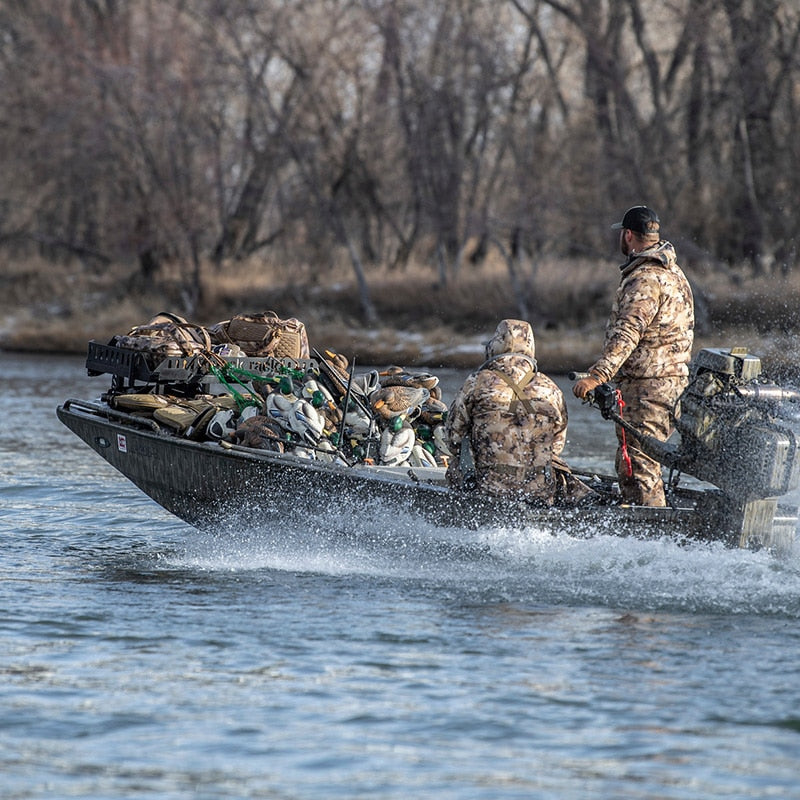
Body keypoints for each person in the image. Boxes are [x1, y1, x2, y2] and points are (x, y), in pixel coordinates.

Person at [572, 205, 694, 506]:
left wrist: (597, 377)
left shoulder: (645, 279)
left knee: (638, 465)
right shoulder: (674, 273)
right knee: (640, 462)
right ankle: (648, 533)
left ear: (628, 235)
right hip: (672, 384)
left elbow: (628, 334)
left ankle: (652, 539)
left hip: (648, 389)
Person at [445, 319, 590, 505]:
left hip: (488, 488)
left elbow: (453, 438)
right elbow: (556, 445)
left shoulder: (476, 382)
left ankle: (463, 508)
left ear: (494, 347)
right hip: (539, 490)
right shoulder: (550, 388)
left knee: (457, 461)